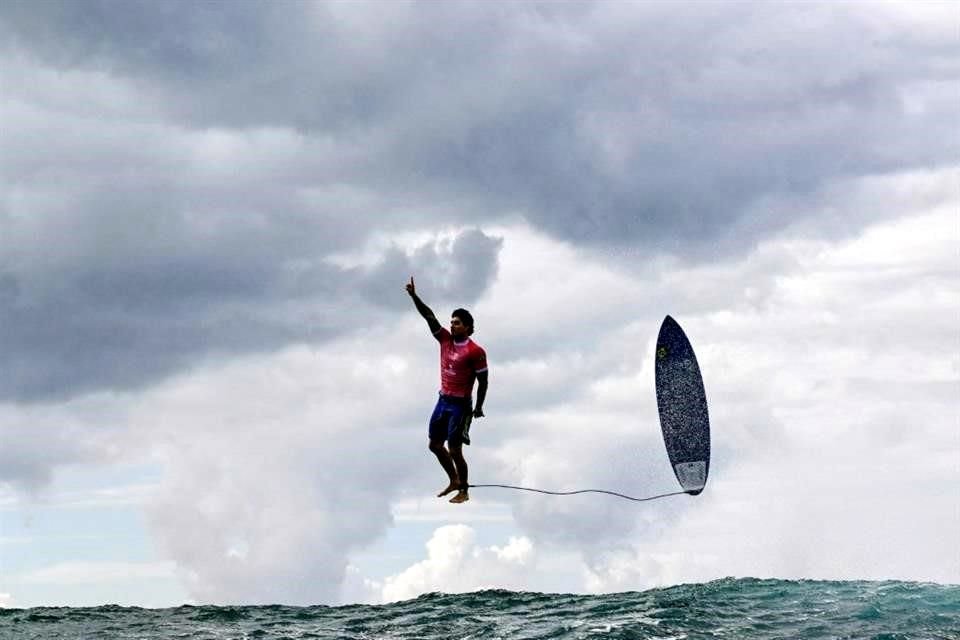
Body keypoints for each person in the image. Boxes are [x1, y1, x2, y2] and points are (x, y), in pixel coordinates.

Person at [406, 276, 488, 504]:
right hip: (443, 400)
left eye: (458, 323)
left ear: (469, 328)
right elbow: (429, 316)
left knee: (455, 450)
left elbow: (484, 381)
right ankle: (453, 480)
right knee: (434, 445)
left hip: (460, 405)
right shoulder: (444, 340)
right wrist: (414, 297)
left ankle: (464, 490)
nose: (452, 325)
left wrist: (479, 407)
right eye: (451, 322)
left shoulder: (475, 351)